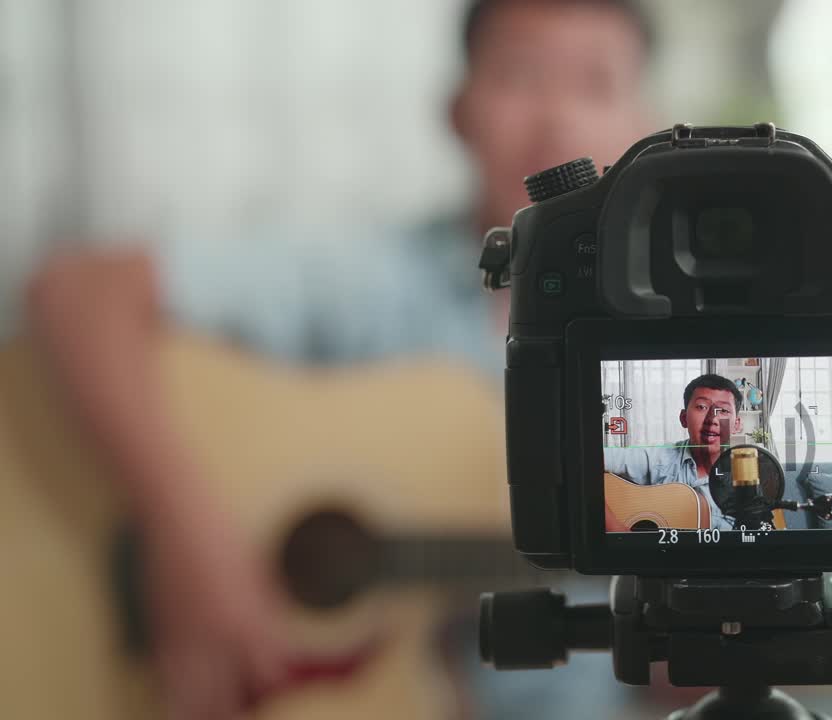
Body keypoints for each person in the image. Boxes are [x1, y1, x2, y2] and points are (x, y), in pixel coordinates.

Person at [22, 0, 654, 717]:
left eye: (596, 83)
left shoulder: (674, 354)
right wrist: (187, 538)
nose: (558, 120)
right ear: (457, 111)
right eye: (522, 75)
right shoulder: (374, 282)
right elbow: (79, 291)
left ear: (643, 123)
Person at [604, 374, 743, 531]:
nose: (712, 419)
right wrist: (615, 528)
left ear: (736, 425)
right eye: (702, 407)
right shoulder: (659, 459)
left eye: (723, 410)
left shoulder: (751, 478)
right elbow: (586, 458)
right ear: (684, 418)